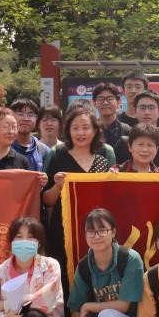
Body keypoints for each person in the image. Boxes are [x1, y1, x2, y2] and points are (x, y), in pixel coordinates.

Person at [42, 106, 116, 297]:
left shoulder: (104, 156)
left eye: (85, 127)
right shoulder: (57, 154)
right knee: (65, 279)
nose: (80, 133)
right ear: (68, 130)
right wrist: (57, 187)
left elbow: (111, 196)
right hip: (63, 230)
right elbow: (46, 200)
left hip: (97, 230)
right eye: (75, 128)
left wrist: (113, 180)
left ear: (95, 130)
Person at [10, 98, 51, 172]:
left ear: (36, 119)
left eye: (30, 115)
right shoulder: (3, 147)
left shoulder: (44, 151)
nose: (26, 119)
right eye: (21, 114)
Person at [91, 82, 126, 149]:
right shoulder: (90, 130)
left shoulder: (127, 131)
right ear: (94, 103)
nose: (105, 103)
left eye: (110, 99)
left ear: (119, 102)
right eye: (101, 99)